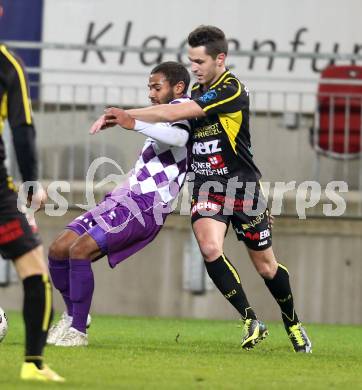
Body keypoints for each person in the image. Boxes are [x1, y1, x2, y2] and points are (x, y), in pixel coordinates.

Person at [102, 26, 312, 353]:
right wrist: (138, 119)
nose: (195, 67)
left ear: (220, 59)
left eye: (200, 61)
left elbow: (177, 112)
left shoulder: (231, 89)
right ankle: (250, 319)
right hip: (207, 186)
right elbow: (169, 119)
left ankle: (293, 322)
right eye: (191, 61)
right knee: (210, 247)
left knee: (266, 267)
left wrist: (129, 116)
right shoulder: (195, 90)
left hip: (243, 188)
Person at [47, 61, 191, 346]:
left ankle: (77, 332)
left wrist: (133, 122)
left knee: (80, 250)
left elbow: (180, 137)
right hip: (124, 198)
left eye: (156, 86)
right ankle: (75, 314)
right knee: (59, 247)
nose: (150, 93)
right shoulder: (159, 114)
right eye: (149, 86)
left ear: (178, 87)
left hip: (147, 205)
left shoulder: (184, 109)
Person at [0, 4, 64, 382]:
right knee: (35, 271)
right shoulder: (8, 65)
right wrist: (31, 184)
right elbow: (23, 129)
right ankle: (33, 364)